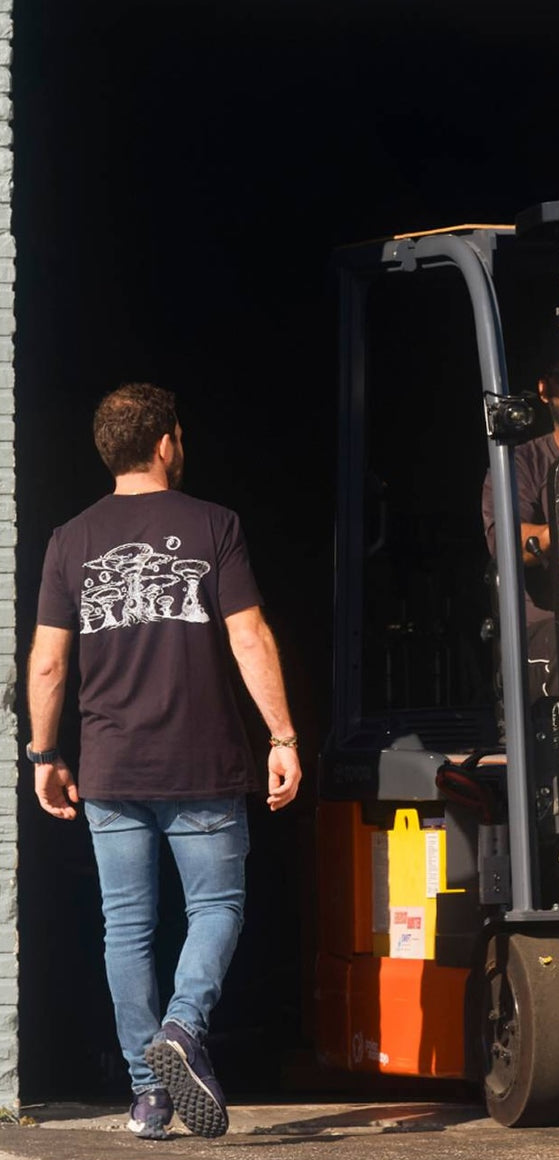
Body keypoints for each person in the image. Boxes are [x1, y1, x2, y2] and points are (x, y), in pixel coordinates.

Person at [26, 382, 302, 1141]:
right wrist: (282, 736)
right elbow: (249, 638)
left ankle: (149, 1096)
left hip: (112, 767)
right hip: (203, 762)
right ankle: (182, 1028)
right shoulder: (215, 525)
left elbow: (48, 664)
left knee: (127, 929)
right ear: (164, 444)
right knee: (215, 909)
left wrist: (44, 754)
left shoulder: (69, 540)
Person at [480, 365, 559, 703]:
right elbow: (506, 543)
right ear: (545, 389)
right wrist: (556, 539)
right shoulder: (522, 463)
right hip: (547, 629)